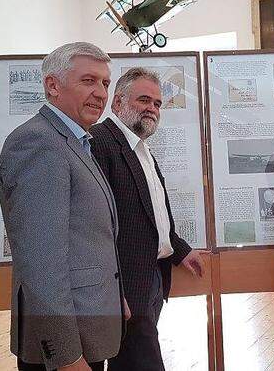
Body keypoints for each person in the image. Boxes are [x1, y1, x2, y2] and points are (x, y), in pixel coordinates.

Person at [0, 42, 127, 371]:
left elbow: (88, 237)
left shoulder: (76, 141)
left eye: (105, 83)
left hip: (89, 324)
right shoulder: (39, 143)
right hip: (63, 348)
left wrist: (114, 295)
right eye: (88, 81)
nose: (100, 93)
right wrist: (66, 356)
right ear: (52, 85)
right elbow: (41, 265)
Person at [90, 67, 205, 371]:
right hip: (124, 288)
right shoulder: (100, 142)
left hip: (153, 278)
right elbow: (95, 227)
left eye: (157, 103)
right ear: (118, 103)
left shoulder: (141, 148)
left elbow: (153, 213)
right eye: (144, 100)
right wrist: (112, 291)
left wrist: (179, 250)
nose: (152, 108)